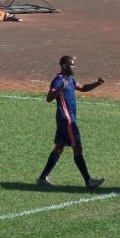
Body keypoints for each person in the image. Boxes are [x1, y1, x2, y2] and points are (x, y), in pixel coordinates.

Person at [36, 56, 105, 189]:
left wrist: (97, 83)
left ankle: (42, 178)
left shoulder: (70, 79)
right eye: (72, 65)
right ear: (63, 65)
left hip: (67, 119)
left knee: (59, 147)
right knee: (77, 148)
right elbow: (49, 98)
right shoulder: (58, 80)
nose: (74, 67)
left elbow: (83, 87)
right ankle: (89, 181)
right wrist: (60, 88)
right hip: (66, 120)